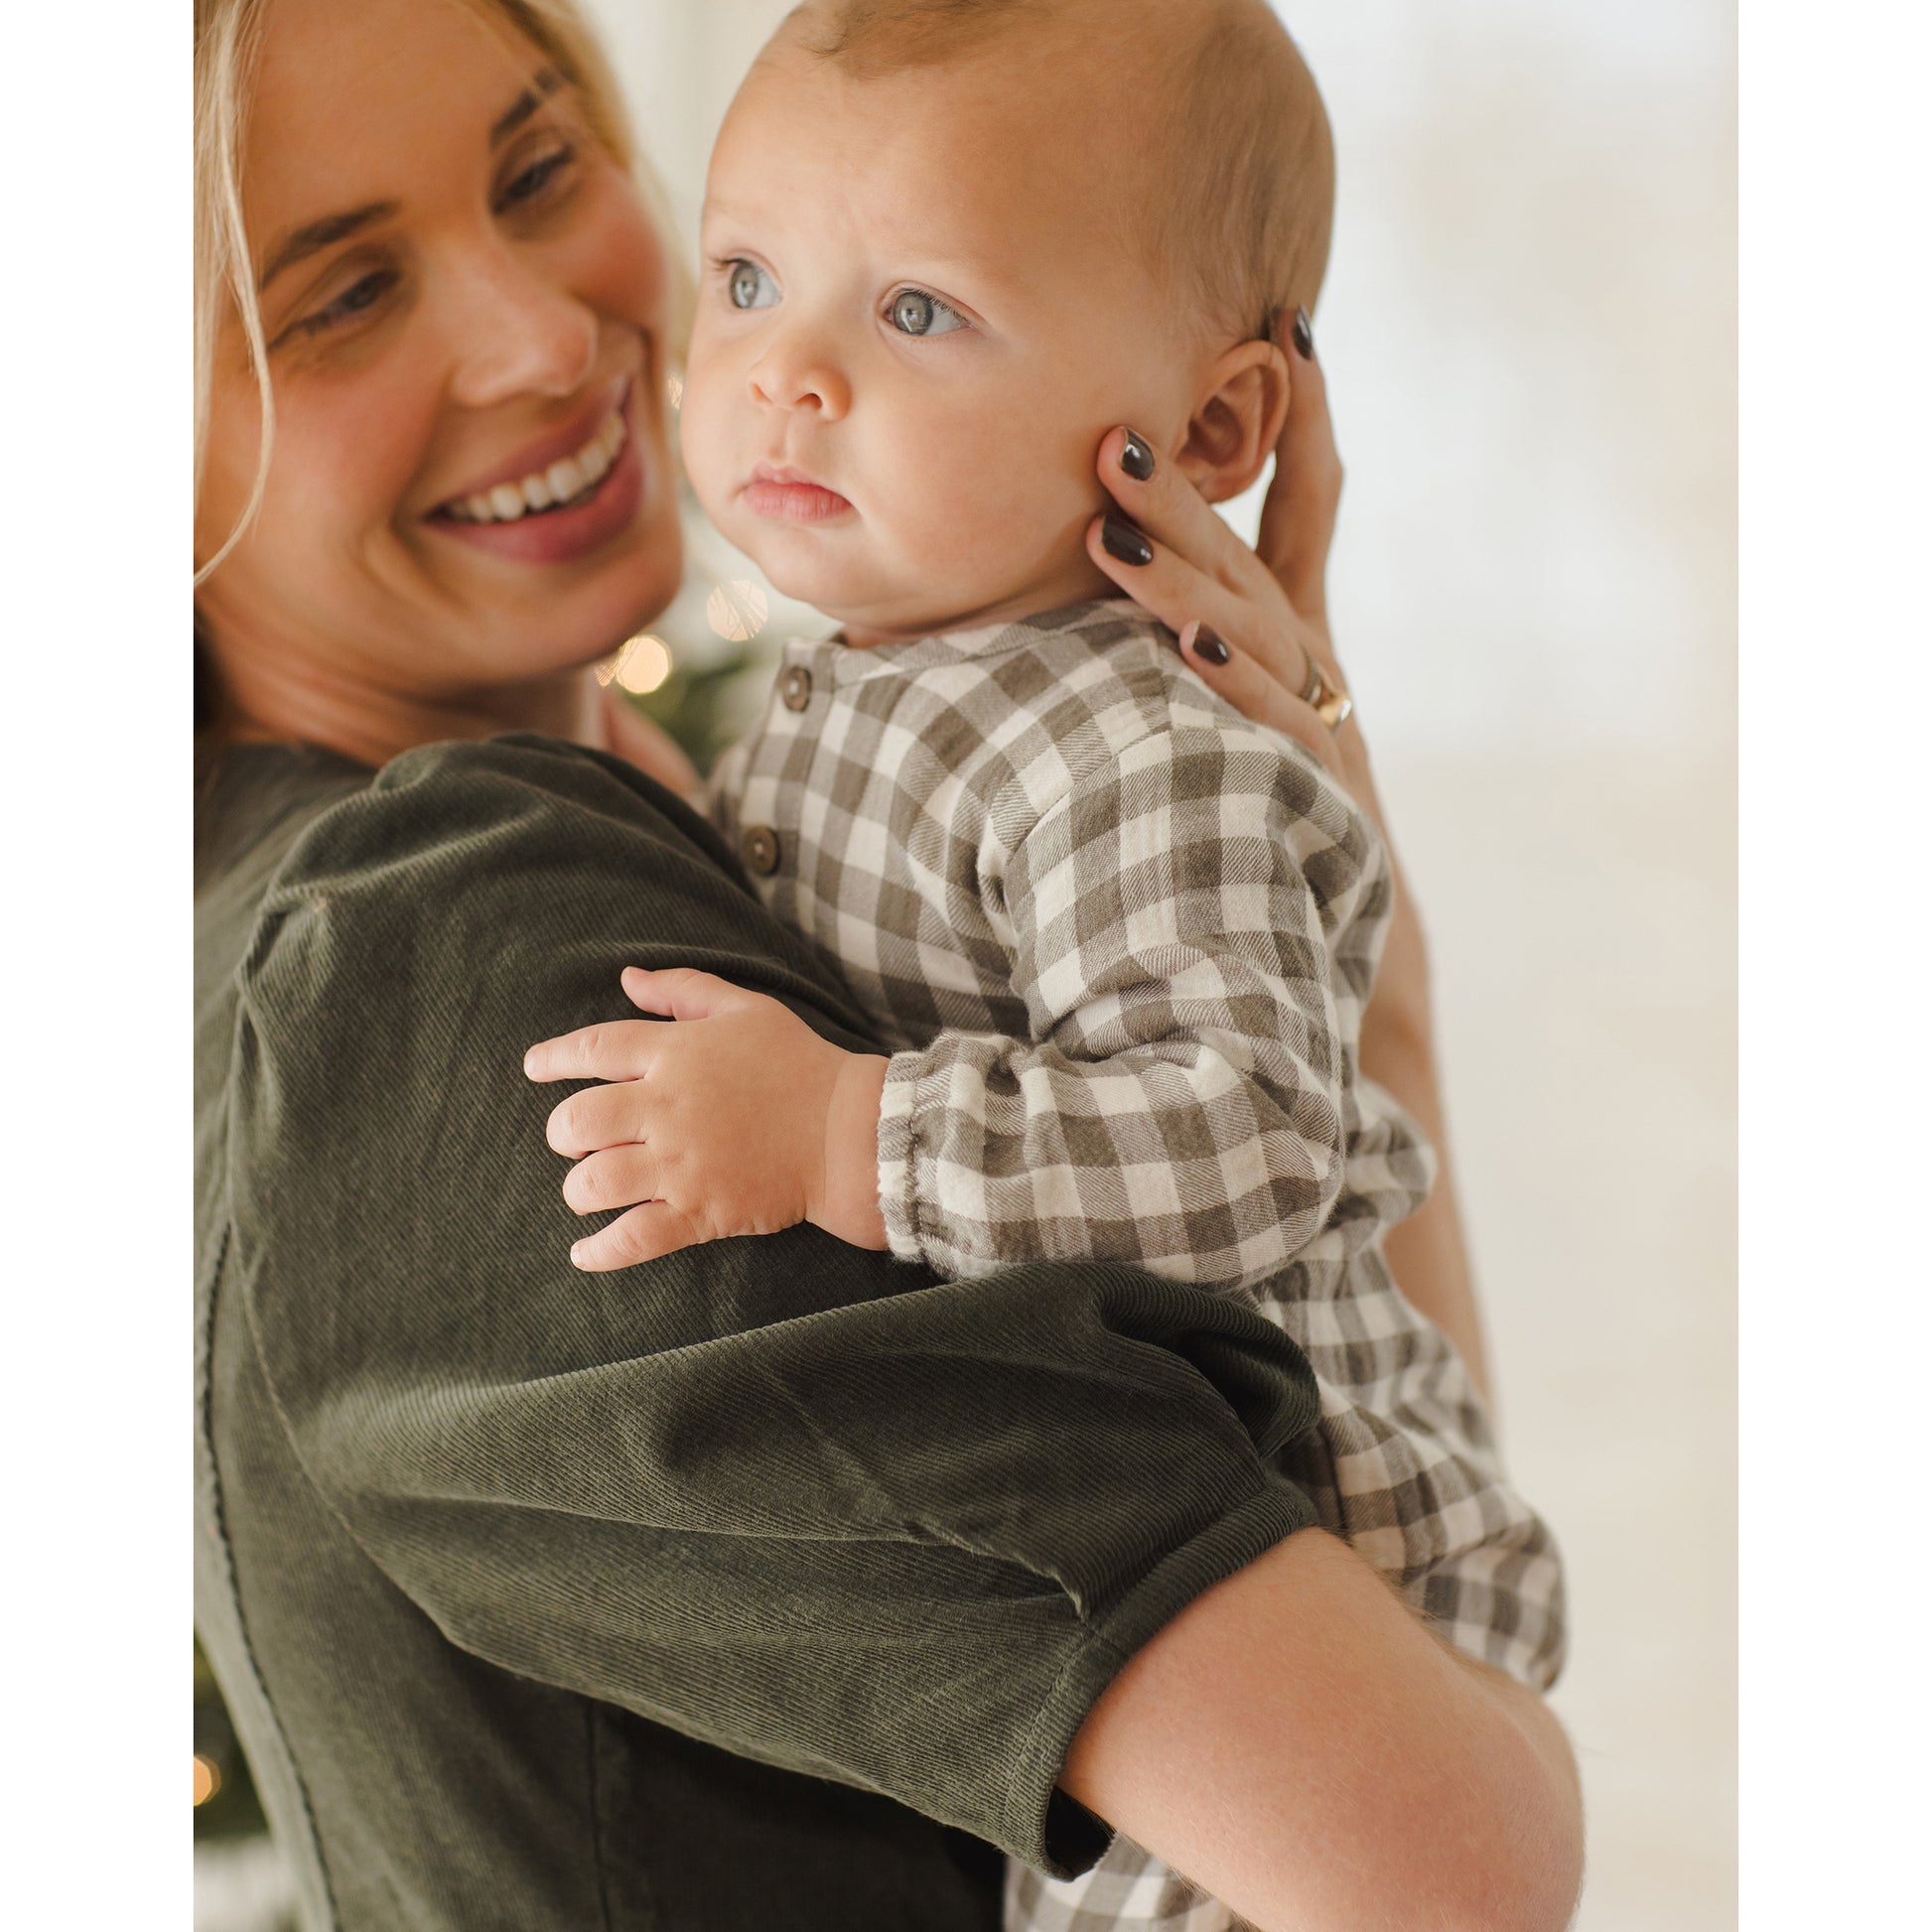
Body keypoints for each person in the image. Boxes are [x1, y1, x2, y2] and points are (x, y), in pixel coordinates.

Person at [192, 1, 1583, 1928]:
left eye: (537, 169)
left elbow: (1289, 1231)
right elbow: (1445, 1853)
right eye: (340, 297)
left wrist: (1307, 836)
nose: (545, 341)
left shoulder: (758, 775)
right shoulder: (438, 938)